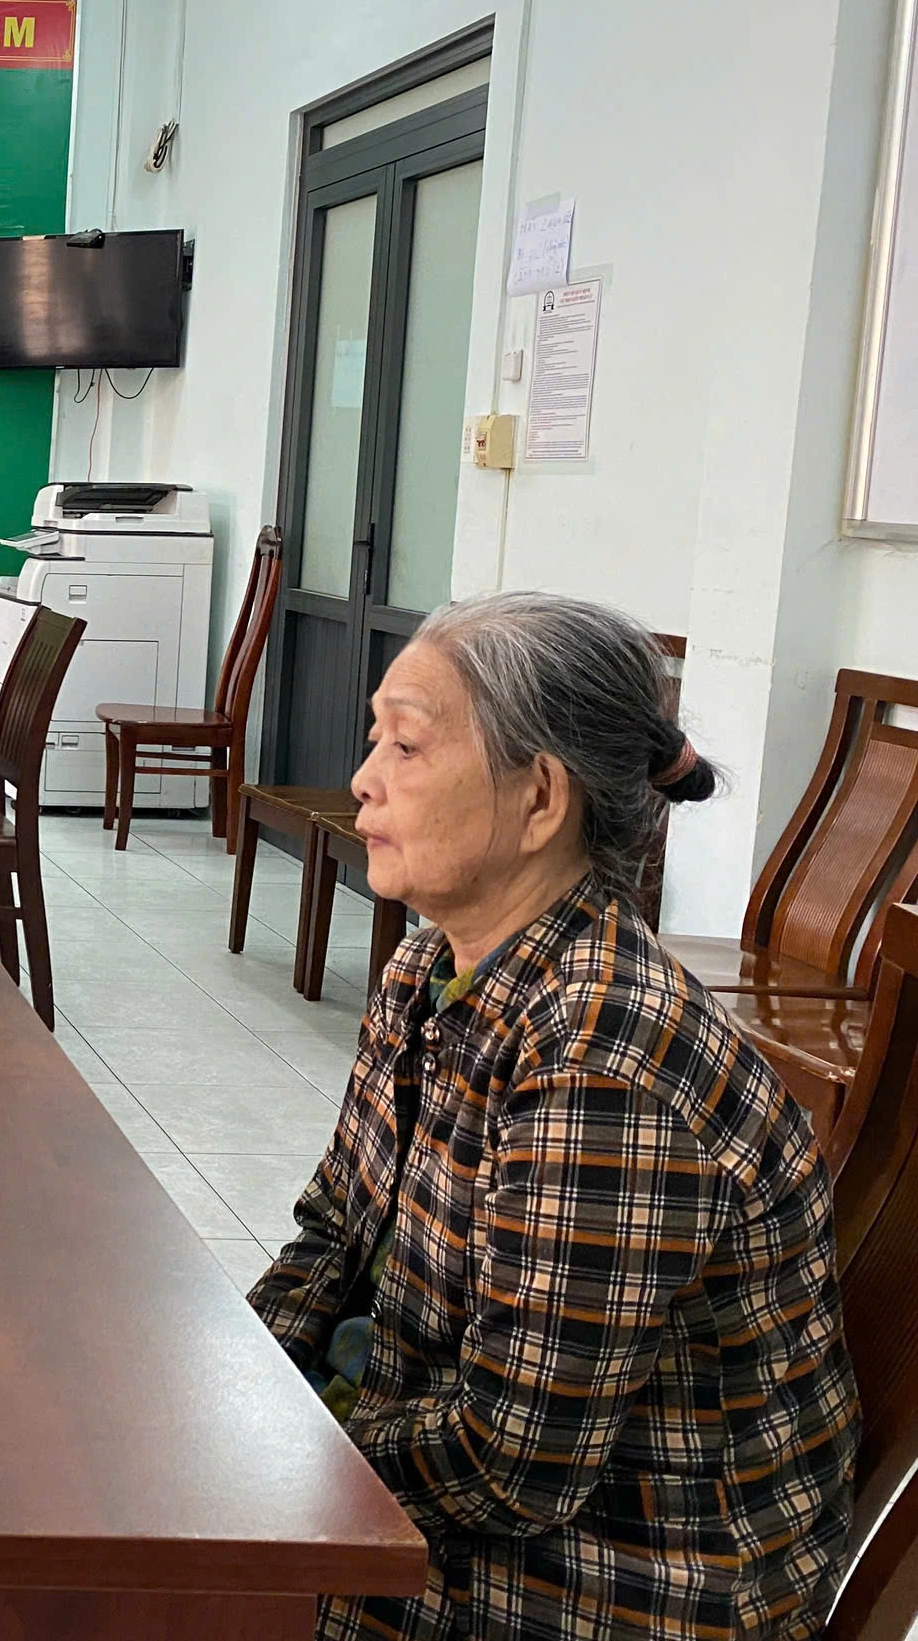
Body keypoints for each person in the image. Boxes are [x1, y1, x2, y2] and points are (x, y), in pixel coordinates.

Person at [251, 592, 858, 1639]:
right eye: (372, 739)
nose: (362, 778)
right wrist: (233, 1394)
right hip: (473, 1493)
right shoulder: (427, 969)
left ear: (539, 798)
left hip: (628, 1578)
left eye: (407, 745)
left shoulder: (606, 1057)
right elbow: (333, 1235)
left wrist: (270, 1471)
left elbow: (512, 1462)